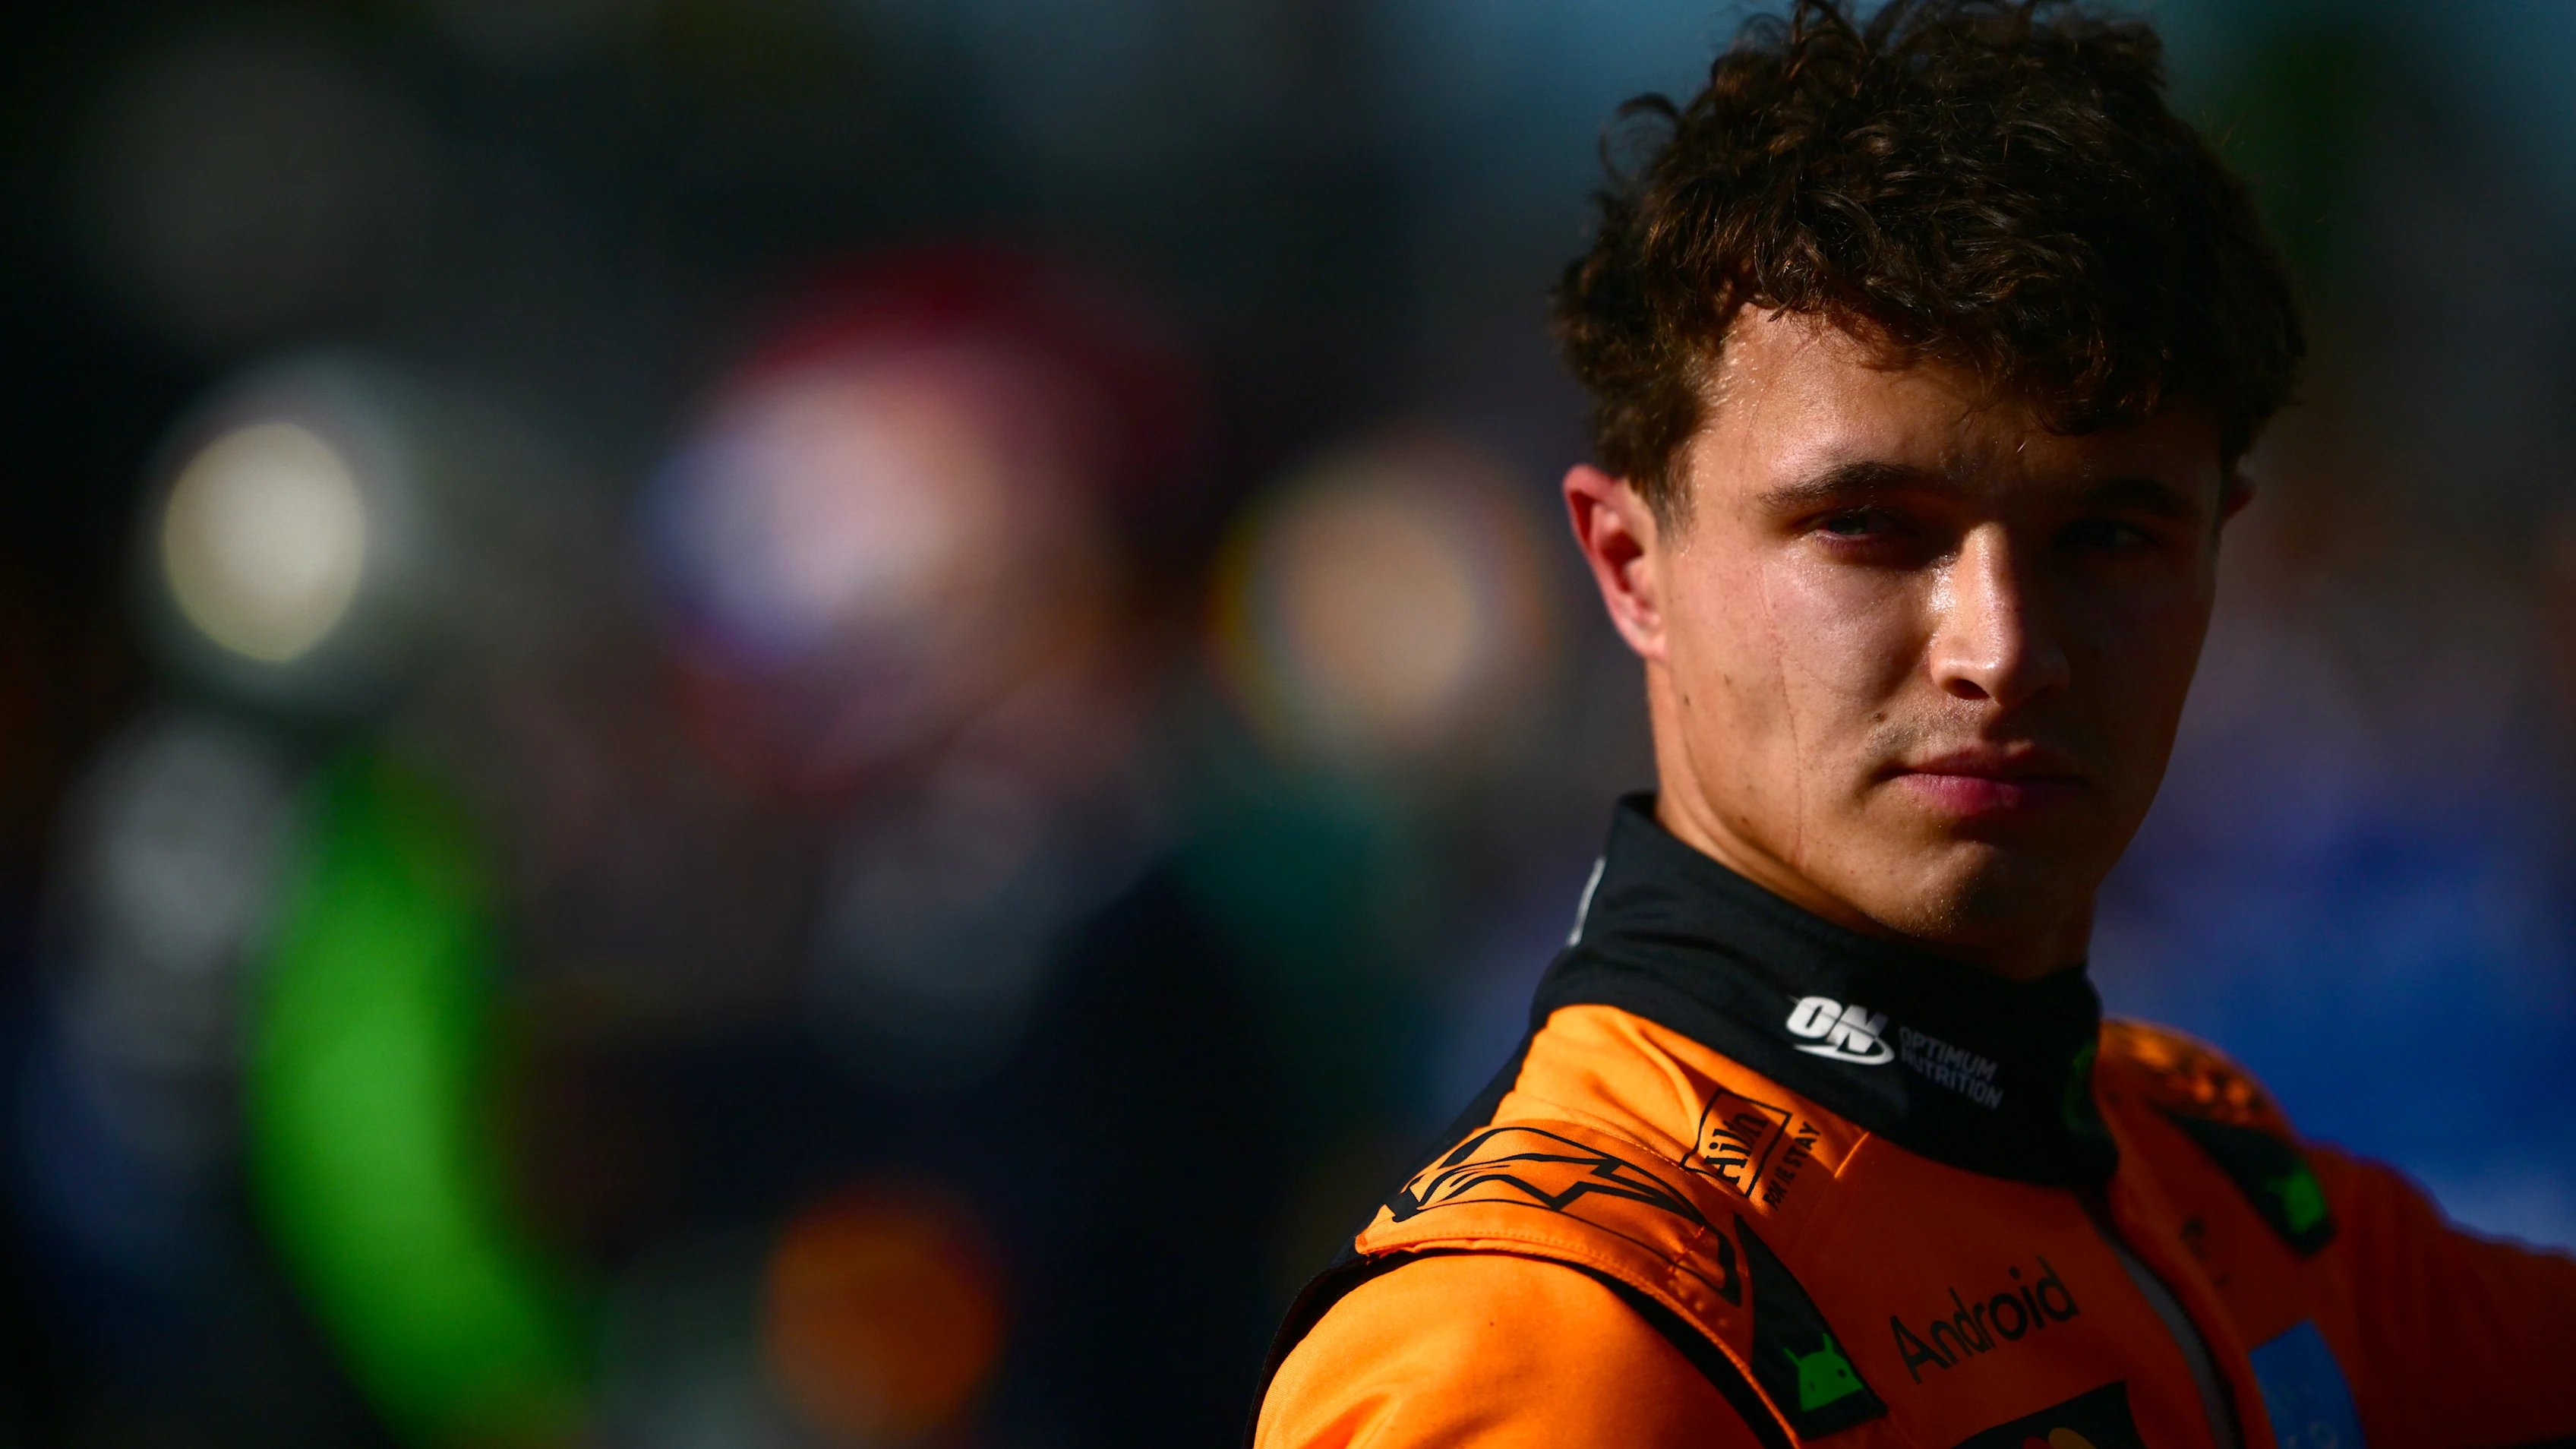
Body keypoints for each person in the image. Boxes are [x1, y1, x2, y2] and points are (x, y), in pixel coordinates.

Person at [1249, 2, 2576, 1446]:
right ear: (1632, 567)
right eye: (1870, 527)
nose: (2002, 651)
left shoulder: (2209, 1177)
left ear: (2218, 554)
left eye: (2110, 536)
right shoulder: (1555, 1338)